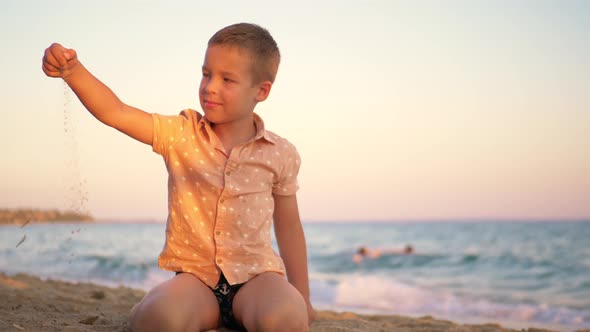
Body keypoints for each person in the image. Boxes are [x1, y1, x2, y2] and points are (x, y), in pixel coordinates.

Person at [42, 23, 315, 332]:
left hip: (256, 279)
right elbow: (115, 112)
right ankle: (156, 306)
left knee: (287, 318)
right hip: (195, 283)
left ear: (261, 91)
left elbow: (290, 227)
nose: (210, 86)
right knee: (157, 318)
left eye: (227, 79)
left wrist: (303, 298)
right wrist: (73, 72)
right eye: (206, 73)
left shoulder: (279, 153)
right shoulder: (180, 134)